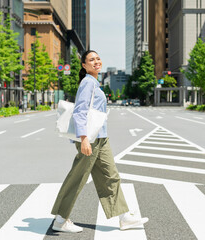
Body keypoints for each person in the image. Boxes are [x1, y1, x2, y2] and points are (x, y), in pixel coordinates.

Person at [51, 50, 148, 233]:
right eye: (91, 60)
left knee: (111, 176)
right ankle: (60, 220)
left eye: (97, 58)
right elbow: (80, 111)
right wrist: (84, 139)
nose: (96, 61)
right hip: (90, 139)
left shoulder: (95, 83)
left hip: (101, 138)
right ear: (84, 65)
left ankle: (124, 217)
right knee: (78, 178)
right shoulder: (88, 83)